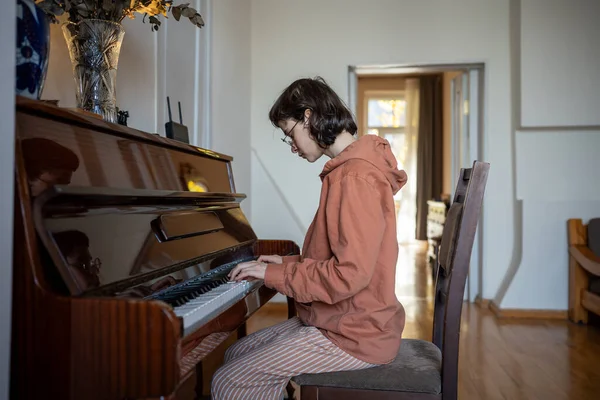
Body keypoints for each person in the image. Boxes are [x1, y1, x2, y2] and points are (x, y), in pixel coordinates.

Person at [211, 76, 408, 400]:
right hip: (347, 320)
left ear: (308, 116)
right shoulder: (351, 170)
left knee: (231, 381)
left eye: (289, 134)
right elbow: (342, 259)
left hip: (356, 334)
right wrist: (288, 263)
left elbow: (350, 274)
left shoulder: (354, 176)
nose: (291, 146)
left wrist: (277, 275)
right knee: (235, 355)